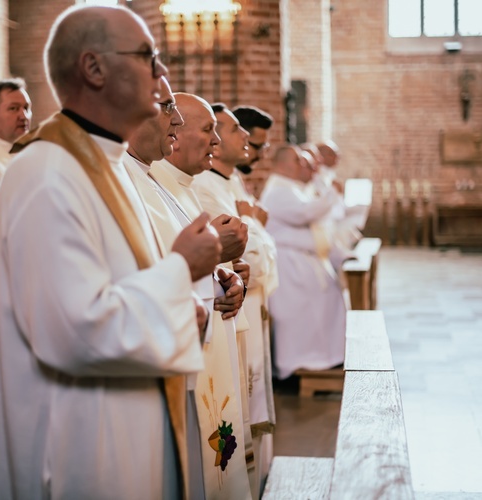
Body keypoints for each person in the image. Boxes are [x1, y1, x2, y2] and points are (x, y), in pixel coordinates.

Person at [0, 6, 223, 499]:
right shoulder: (47, 173)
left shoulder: (110, 165)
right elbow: (74, 330)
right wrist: (183, 271)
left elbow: (122, 284)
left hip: (128, 424)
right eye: (147, 58)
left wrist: (194, 301)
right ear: (93, 68)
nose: (162, 76)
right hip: (82, 450)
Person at [124, 77, 251, 499]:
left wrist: (225, 280)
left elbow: (185, 254)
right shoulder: (126, 180)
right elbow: (146, 269)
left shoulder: (159, 183)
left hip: (199, 335)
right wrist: (213, 258)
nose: (174, 121)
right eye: (166, 109)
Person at [191, 103, 279, 496]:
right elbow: (254, 257)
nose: (244, 136)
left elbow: (259, 252)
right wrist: (256, 225)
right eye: (232, 129)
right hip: (222, 313)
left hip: (239, 307)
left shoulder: (229, 183)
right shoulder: (206, 186)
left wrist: (255, 228)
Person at [259, 144, 347, 379]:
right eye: (299, 161)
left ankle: (323, 358)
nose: (306, 166)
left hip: (302, 260)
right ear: (286, 163)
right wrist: (332, 193)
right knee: (297, 316)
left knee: (323, 305)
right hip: (289, 265)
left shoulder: (290, 187)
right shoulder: (278, 190)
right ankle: (295, 364)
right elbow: (305, 213)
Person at [231, 105, 273, 200]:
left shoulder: (234, 176)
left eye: (264, 147)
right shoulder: (207, 182)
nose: (262, 155)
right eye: (258, 147)